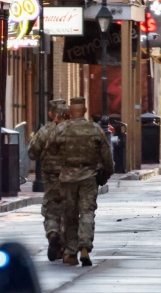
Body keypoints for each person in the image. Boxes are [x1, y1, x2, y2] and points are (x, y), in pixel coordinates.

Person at [48, 97, 114, 266]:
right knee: (87, 212)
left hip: (67, 177)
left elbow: (51, 149)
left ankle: (70, 252)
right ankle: (84, 247)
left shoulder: (61, 129)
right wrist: (104, 175)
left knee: (69, 215)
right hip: (88, 176)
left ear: (69, 112)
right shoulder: (95, 129)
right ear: (84, 110)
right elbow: (107, 157)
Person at [28, 99, 69, 261]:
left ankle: (53, 233)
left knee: (51, 209)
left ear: (51, 113)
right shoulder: (74, 130)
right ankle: (66, 245)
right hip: (73, 177)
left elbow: (32, 153)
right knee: (70, 210)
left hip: (51, 178)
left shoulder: (45, 131)